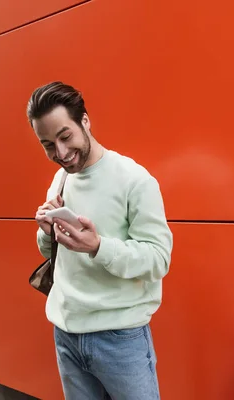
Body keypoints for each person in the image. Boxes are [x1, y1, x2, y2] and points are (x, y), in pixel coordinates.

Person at [27, 81, 173, 400]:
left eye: (65, 137)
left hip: (120, 338)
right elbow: (51, 253)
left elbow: (158, 259)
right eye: (48, 144)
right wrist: (46, 230)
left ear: (85, 121)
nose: (61, 153)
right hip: (66, 332)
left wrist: (98, 246)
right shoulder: (61, 179)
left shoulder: (134, 180)